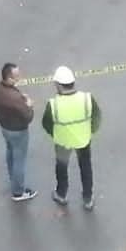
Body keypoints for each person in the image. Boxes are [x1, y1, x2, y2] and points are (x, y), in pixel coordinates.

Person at [42, 66, 102, 210]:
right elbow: (96, 117)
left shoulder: (53, 104)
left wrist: (56, 134)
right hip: (83, 140)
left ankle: (61, 194)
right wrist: (90, 131)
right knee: (86, 167)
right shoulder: (87, 98)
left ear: (58, 85)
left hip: (63, 142)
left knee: (62, 168)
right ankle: (88, 198)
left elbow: (47, 124)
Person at [0, 62, 37, 202]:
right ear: (8, 78)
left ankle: (13, 179)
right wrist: (29, 105)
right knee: (19, 160)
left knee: (10, 152)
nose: (19, 78)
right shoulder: (15, 99)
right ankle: (18, 192)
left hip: (5, 128)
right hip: (18, 131)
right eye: (16, 76)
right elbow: (28, 116)